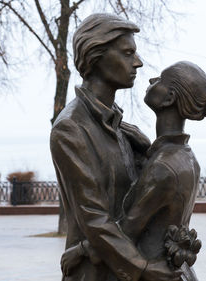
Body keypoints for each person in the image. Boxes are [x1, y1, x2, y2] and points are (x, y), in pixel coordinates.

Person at [61, 61, 206, 281]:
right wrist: (149, 149)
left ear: (169, 98)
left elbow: (126, 231)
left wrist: (79, 251)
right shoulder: (186, 156)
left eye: (160, 80)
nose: (151, 80)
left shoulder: (162, 167)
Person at [50, 13, 181, 281]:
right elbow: (95, 219)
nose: (138, 62)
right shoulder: (71, 128)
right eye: (127, 53)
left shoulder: (120, 125)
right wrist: (142, 269)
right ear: (95, 56)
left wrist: (151, 151)